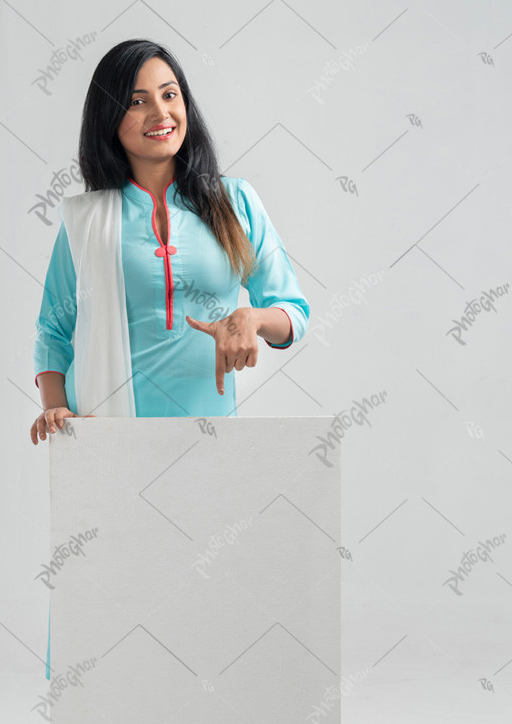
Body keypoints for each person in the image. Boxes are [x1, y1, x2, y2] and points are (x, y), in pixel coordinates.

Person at [30, 39, 311, 678]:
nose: (160, 111)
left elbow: (293, 311)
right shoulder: (86, 220)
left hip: (208, 445)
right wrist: (55, 410)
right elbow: (53, 328)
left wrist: (251, 319)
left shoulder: (235, 203)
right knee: (101, 626)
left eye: (170, 93)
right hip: (108, 444)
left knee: (203, 626)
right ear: (109, 120)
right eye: (136, 100)